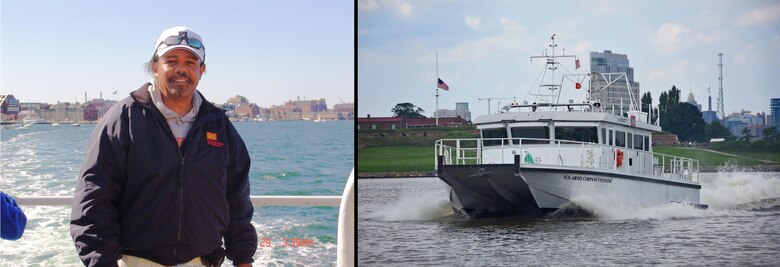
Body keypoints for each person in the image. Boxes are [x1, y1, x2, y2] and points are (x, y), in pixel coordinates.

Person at [70, 26, 257, 267]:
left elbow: (237, 199)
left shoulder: (219, 125)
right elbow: (93, 197)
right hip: (136, 261)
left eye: (191, 62)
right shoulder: (123, 119)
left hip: (204, 261)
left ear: (202, 71)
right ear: (154, 67)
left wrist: (243, 258)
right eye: (171, 60)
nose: (182, 69)